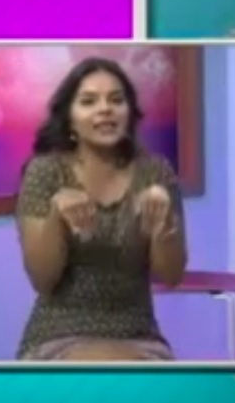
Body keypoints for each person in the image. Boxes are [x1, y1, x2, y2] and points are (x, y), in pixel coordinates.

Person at [13, 56, 188, 361]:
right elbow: (42, 279)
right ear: (70, 119)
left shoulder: (155, 172)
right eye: (89, 101)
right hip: (58, 337)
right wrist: (56, 218)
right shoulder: (45, 172)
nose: (105, 108)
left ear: (129, 112)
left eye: (116, 100)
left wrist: (164, 225)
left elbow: (170, 275)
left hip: (140, 338)